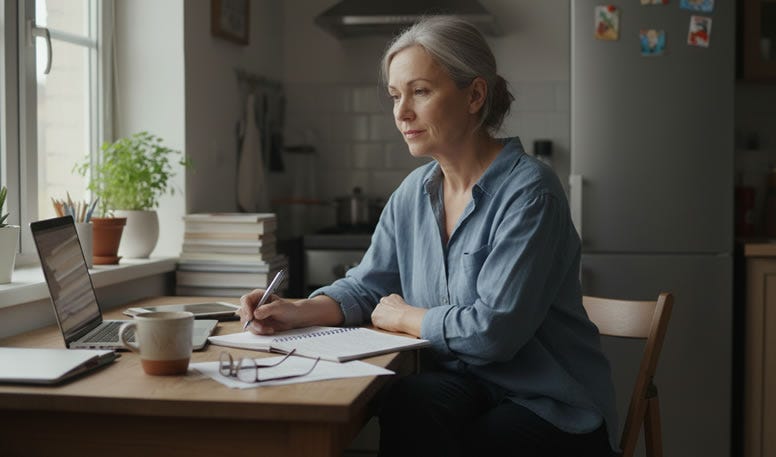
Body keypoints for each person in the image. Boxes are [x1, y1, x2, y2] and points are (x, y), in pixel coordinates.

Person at [238, 16, 618, 457]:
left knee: (477, 442)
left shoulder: (531, 193)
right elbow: (368, 285)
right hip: (468, 386)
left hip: (549, 402)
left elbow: (493, 332)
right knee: (405, 402)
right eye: (396, 96)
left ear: (475, 95)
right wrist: (297, 310)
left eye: (420, 92)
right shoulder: (413, 193)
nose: (401, 113)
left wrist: (405, 317)